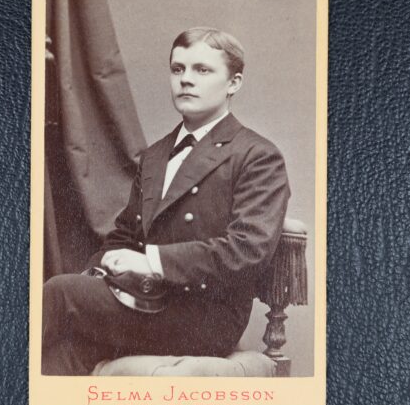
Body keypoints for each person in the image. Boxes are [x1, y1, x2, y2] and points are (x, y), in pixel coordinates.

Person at [42, 27, 290, 375]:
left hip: (205, 316)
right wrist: (100, 271)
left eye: (202, 70)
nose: (186, 79)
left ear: (233, 83)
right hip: (144, 300)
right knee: (60, 352)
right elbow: (126, 233)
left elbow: (247, 251)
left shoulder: (257, 155)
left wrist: (152, 262)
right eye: (178, 69)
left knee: (60, 293)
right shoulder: (157, 155)